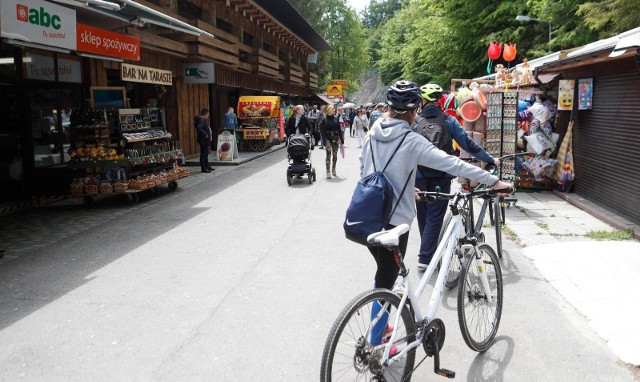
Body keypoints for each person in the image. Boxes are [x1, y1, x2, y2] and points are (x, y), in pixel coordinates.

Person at [359, 80, 511, 291]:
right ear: (414, 109)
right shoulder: (415, 137)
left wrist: (404, 188)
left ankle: (391, 310)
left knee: (385, 272)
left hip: (365, 216)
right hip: (397, 218)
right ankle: (380, 324)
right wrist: (493, 181)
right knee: (387, 278)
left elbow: (366, 171)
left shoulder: (372, 134)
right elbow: (454, 163)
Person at [413, 84, 496, 271]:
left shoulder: (415, 122)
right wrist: (489, 159)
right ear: (440, 100)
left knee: (424, 215)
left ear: (423, 101)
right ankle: (426, 257)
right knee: (435, 216)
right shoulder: (449, 120)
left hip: (418, 175)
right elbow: (468, 144)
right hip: (441, 175)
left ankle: (429, 253)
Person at [319, 105, 344, 179]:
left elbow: (339, 130)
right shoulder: (324, 120)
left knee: (335, 155)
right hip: (328, 139)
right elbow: (322, 132)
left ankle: (333, 168)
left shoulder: (336, 119)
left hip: (336, 139)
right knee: (328, 155)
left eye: (334, 109)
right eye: (332, 109)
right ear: (329, 110)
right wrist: (324, 142)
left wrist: (341, 139)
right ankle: (328, 171)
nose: (334, 110)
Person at [194, 108, 214, 173]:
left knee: (206, 154)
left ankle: (207, 166)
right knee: (203, 154)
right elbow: (198, 128)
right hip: (204, 140)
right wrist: (205, 134)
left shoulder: (202, 120)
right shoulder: (201, 120)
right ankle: (203, 168)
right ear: (206, 114)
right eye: (208, 114)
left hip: (204, 140)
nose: (208, 116)